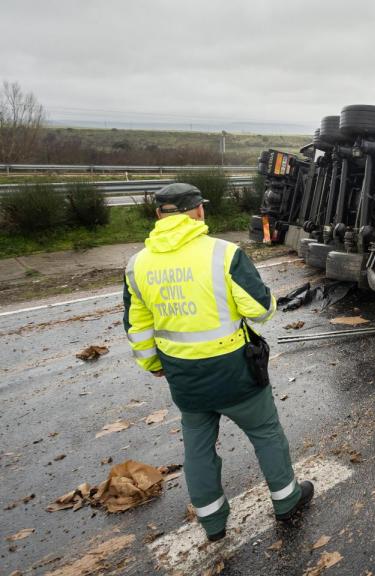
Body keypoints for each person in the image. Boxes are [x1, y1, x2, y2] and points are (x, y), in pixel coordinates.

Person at [122, 183, 313, 542]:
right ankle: (287, 501)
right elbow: (261, 310)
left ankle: (212, 524)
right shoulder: (224, 255)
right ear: (197, 211)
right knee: (266, 434)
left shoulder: (137, 265)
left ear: (158, 215)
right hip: (235, 373)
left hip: (184, 378)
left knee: (197, 448)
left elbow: (138, 326)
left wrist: (153, 365)